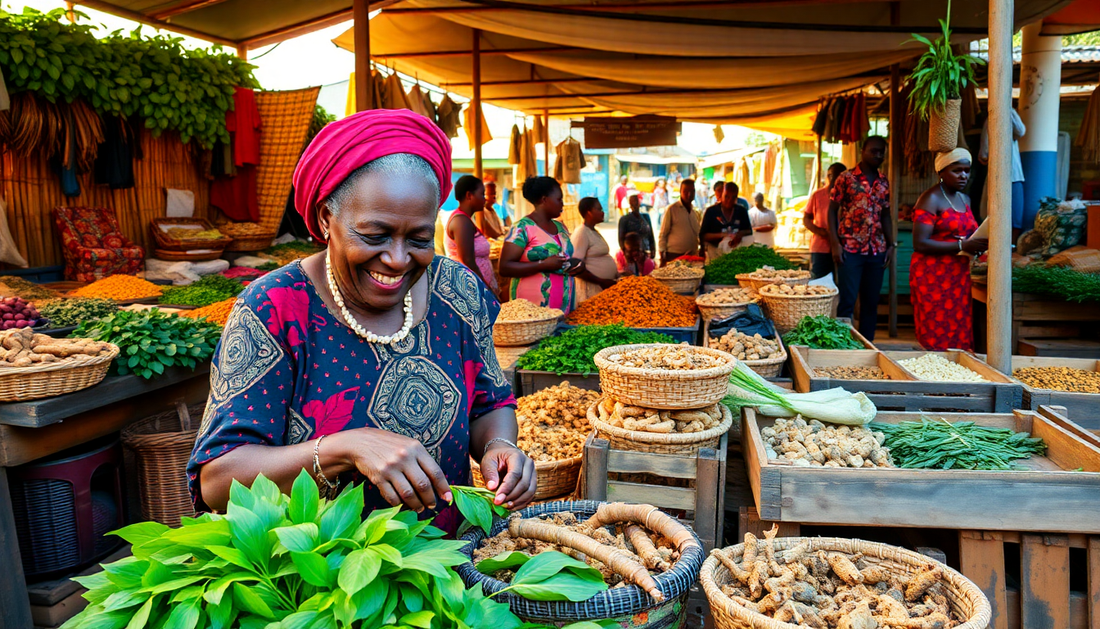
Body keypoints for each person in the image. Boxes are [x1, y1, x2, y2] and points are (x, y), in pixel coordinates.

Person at [187, 109, 536, 523]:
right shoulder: (275, 307)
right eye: (374, 236)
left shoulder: (455, 289)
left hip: (449, 564)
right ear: (325, 219)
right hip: (320, 571)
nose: (396, 259)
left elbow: (489, 401)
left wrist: (500, 445)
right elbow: (217, 482)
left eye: (420, 239)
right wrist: (344, 448)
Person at [910, 149, 987, 351]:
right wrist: (962, 245)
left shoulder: (966, 200)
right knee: (936, 327)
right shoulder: (930, 199)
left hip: (958, 273)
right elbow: (920, 243)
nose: (963, 175)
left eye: (967, 170)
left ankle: (956, 370)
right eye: (956, 170)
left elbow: (968, 234)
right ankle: (934, 373)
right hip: (932, 275)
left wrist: (977, 245)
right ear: (941, 172)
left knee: (957, 325)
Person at [829, 135, 894, 343]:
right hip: (850, 249)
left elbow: (886, 215)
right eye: (873, 150)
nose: (878, 155)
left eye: (881, 151)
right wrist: (835, 244)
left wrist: (891, 244)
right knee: (847, 301)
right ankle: (841, 346)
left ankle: (867, 347)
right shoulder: (845, 178)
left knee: (870, 302)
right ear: (862, 151)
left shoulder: (884, 181)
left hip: (877, 250)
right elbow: (832, 212)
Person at [499, 176, 584, 312]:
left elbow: (563, 259)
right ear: (544, 200)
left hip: (563, 307)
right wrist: (542, 265)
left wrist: (576, 264)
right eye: (559, 199)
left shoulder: (561, 227)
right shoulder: (522, 228)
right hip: (531, 311)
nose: (562, 204)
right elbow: (504, 267)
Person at [444, 175, 498, 294]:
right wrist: (486, 288)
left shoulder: (466, 220)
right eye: (482, 194)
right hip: (471, 290)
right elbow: (468, 260)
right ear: (469, 195)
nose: (484, 199)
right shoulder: (461, 222)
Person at [979, 108, 1027, 237]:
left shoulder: (990, 121)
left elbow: (983, 155)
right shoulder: (1005, 120)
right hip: (1012, 175)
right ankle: (1008, 248)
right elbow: (1021, 131)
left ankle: (1004, 248)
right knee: (1014, 217)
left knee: (995, 216)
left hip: (1003, 176)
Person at [571, 197, 618, 302]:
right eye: (599, 209)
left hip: (601, 289)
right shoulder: (581, 233)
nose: (603, 213)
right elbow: (575, 268)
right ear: (589, 212)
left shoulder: (594, 231)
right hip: (591, 291)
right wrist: (601, 281)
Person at [804, 163, 846, 279]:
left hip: (844, 247)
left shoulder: (849, 196)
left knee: (843, 284)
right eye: (832, 176)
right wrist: (820, 232)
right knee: (818, 283)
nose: (836, 179)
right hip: (821, 247)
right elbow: (807, 218)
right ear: (828, 176)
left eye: (839, 176)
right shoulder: (818, 195)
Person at [700, 181, 753, 262]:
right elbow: (703, 236)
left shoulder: (741, 211)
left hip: (736, 254)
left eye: (733, 197)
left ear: (736, 198)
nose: (729, 200)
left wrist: (739, 235)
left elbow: (749, 231)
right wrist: (723, 235)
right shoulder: (711, 211)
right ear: (722, 194)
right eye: (727, 197)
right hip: (714, 253)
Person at [658, 178, 700, 265]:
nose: (689, 194)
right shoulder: (672, 210)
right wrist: (662, 256)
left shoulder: (695, 212)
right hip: (674, 256)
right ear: (680, 191)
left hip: (691, 257)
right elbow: (663, 234)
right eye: (686, 191)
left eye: (692, 191)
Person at [618, 190, 656, 259]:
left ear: (639, 203)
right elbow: (621, 239)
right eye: (633, 202)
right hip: (632, 254)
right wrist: (626, 254)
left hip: (646, 251)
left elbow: (651, 235)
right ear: (629, 204)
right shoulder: (625, 219)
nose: (635, 204)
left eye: (636, 201)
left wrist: (653, 249)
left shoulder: (645, 217)